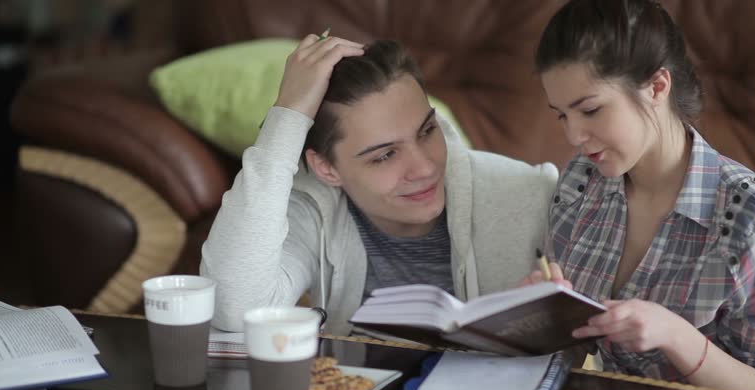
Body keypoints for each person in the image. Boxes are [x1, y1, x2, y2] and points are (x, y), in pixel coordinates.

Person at [524, 0, 755, 390]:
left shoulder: (751, 214)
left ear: (657, 87)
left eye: (591, 110)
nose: (573, 136)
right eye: (562, 115)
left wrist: (676, 335)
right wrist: (545, 317)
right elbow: (576, 348)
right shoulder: (580, 183)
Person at [201, 35, 558, 336]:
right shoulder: (312, 211)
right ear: (326, 169)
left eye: (427, 131)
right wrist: (287, 116)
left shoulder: (531, 195)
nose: (423, 168)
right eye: (384, 156)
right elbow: (233, 311)